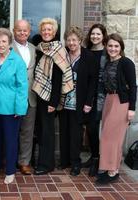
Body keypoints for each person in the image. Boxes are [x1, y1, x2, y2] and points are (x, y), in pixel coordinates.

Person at [0, 28, 28, 184]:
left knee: (10, 140)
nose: (1, 44)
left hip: (11, 109)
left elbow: (22, 87)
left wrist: (19, 109)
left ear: (9, 43)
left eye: (4, 41)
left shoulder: (17, 62)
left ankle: (10, 171)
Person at [31, 18, 73, 175]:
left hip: (50, 98)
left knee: (47, 132)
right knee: (40, 130)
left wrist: (54, 102)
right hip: (40, 96)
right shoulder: (40, 48)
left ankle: (46, 164)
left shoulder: (58, 50)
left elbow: (59, 78)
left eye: (49, 30)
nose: (46, 32)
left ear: (54, 32)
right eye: (44, 30)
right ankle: (39, 161)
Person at [96, 33, 137, 184]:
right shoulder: (107, 62)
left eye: (116, 46)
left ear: (121, 47)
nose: (113, 48)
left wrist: (132, 108)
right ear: (106, 47)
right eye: (110, 45)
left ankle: (112, 171)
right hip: (109, 99)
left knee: (112, 137)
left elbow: (133, 87)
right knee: (109, 136)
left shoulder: (126, 63)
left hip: (121, 102)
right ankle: (111, 167)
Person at [59, 26, 98, 176]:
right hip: (64, 101)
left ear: (80, 40)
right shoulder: (63, 55)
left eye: (74, 39)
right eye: (68, 39)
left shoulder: (88, 57)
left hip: (79, 102)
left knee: (76, 134)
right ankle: (65, 161)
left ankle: (76, 163)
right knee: (64, 131)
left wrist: (89, 102)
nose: (71, 42)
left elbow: (93, 81)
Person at [12, 19, 37, 175]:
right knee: (12, 131)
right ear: (14, 31)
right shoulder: (7, 48)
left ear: (29, 32)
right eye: (19, 30)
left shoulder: (34, 49)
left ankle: (24, 162)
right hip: (13, 97)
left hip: (31, 97)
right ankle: (10, 160)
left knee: (27, 131)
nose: (22, 33)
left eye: (25, 30)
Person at [83, 23, 108, 176]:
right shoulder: (85, 51)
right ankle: (93, 156)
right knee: (89, 128)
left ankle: (99, 159)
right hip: (86, 93)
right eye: (93, 34)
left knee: (95, 127)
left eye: (98, 34)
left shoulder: (107, 53)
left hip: (101, 95)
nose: (95, 37)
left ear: (103, 36)